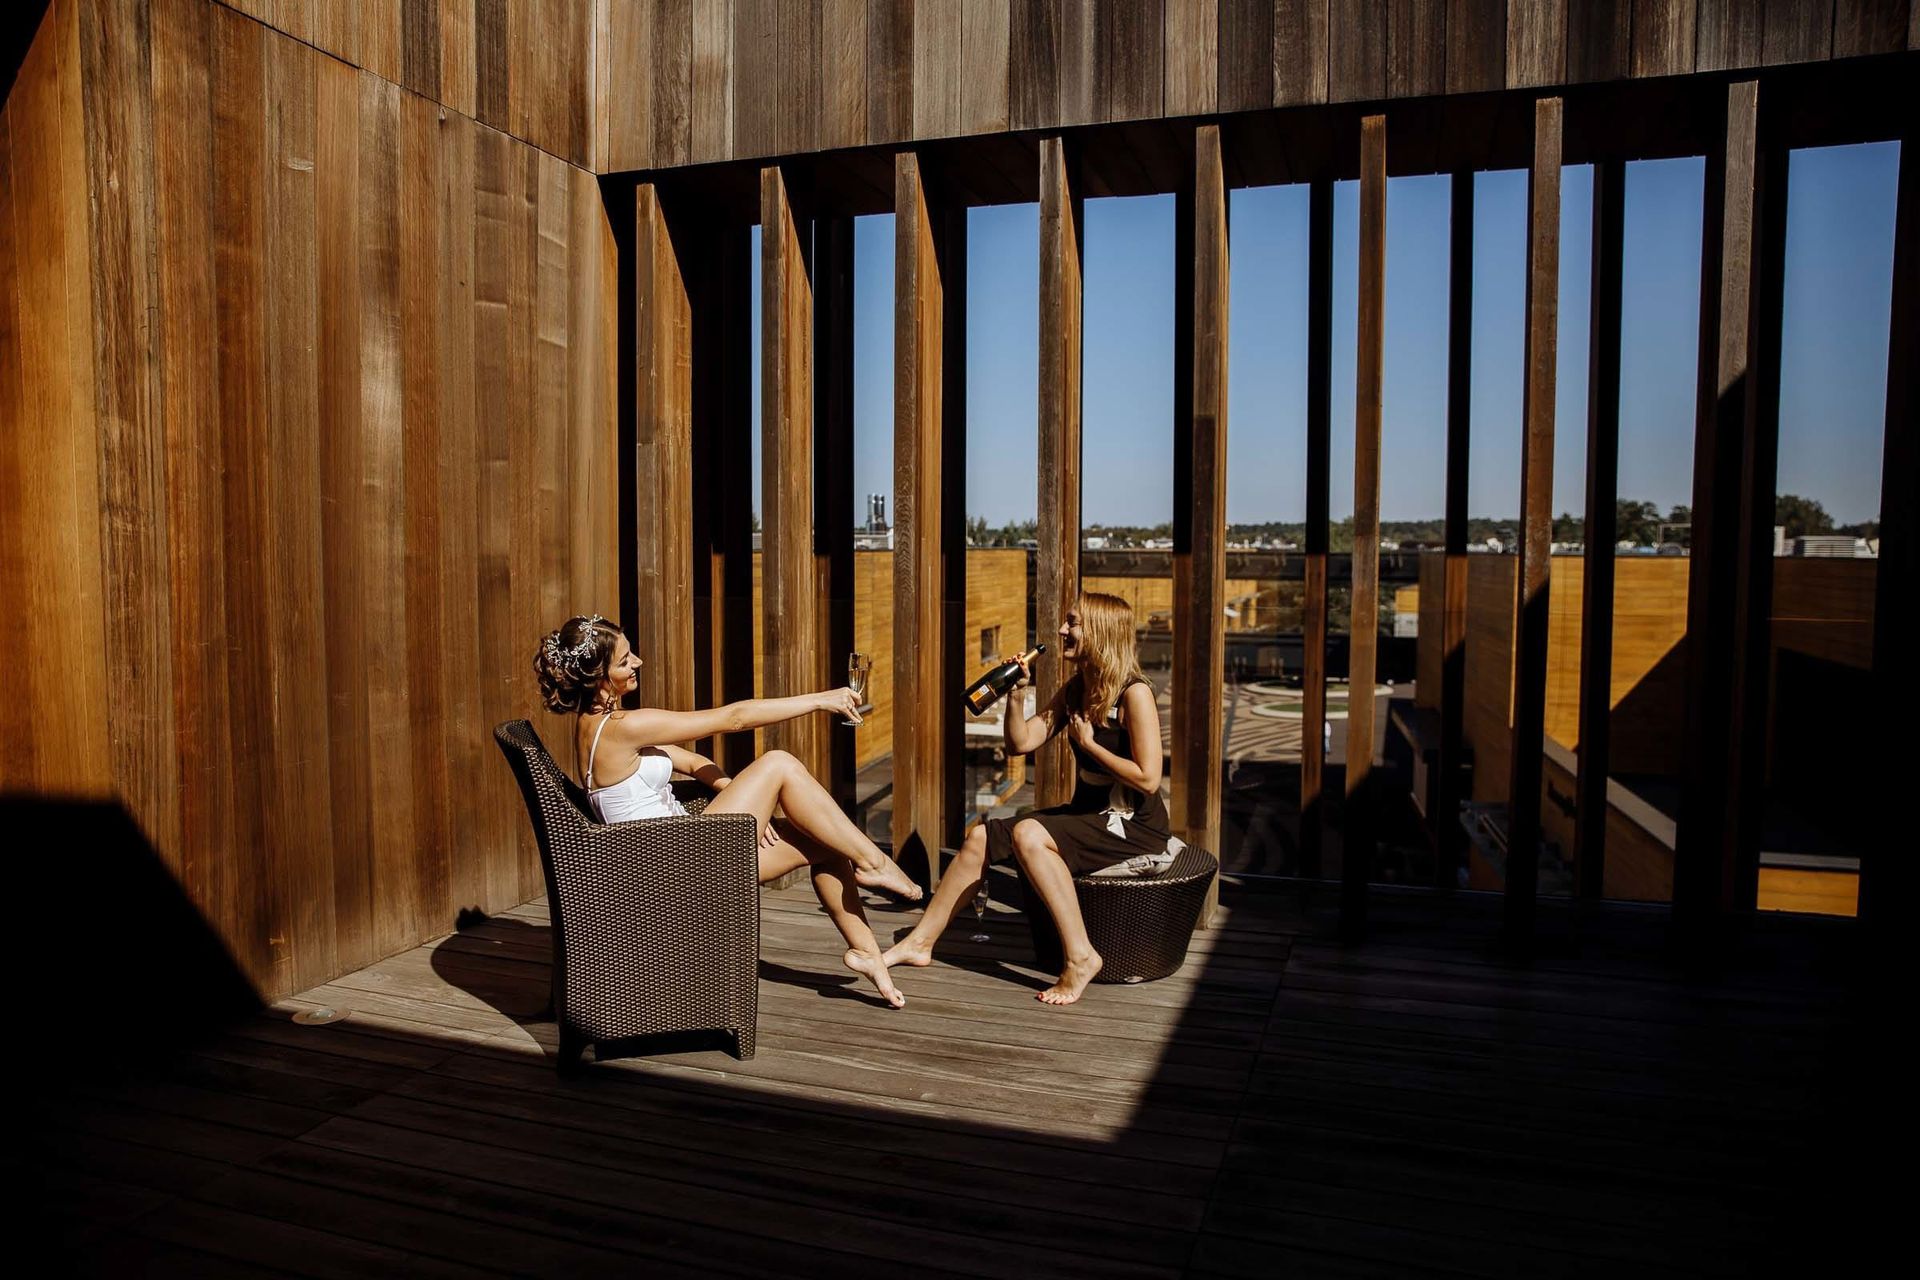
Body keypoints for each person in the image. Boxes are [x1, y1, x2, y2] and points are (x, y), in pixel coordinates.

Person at [534, 614, 922, 1008]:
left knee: (825, 840)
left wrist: (742, 798)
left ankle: (867, 954)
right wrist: (821, 700)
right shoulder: (623, 727)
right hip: (676, 873)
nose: (638, 662)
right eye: (624, 660)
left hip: (674, 854)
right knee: (779, 763)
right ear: (599, 678)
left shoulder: (599, 726)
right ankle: (874, 862)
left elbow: (688, 760)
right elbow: (733, 719)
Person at [884, 592, 1182, 1006]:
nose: (1061, 630)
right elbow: (1020, 743)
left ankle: (1081, 957)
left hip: (1132, 825)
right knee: (980, 838)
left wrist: (1090, 746)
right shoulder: (1077, 689)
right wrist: (1016, 694)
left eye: (1072, 622)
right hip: (1088, 815)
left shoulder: (1135, 694)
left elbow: (1148, 779)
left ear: (1100, 630)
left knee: (1028, 833)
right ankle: (921, 943)